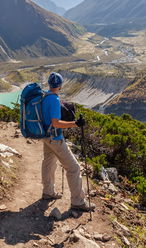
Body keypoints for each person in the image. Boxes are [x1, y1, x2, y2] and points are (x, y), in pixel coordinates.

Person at [41, 72, 95, 212]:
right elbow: (56, 123)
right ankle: (78, 201)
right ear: (60, 85)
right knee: (74, 168)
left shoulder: (45, 96)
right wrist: (75, 123)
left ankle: (48, 192)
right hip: (55, 138)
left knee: (49, 162)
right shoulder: (53, 100)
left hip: (46, 136)